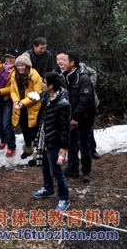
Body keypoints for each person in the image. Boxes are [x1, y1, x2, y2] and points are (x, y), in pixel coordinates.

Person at [32, 72, 71, 212]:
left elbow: (65, 128)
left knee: (57, 172)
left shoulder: (63, 104)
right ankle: (48, 188)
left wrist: (64, 147)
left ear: (51, 86)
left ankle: (64, 198)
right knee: (44, 167)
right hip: (43, 139)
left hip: (54, 142)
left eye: (44, 82)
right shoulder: (46, 97)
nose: (42, 84)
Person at [61, 51, 96, 183]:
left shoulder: (83, 78)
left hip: (83, 118)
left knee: (84, 146)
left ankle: (86, 171)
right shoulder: (65, 76)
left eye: (64, 60)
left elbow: (85, 100)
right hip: (69, 117)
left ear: (72, 63)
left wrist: (76, 118)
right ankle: (72, 168)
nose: (61, 63)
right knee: (71, 144)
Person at [10, 53, 43, 161]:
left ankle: (37, 152)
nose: (20, 67)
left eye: (22, 65)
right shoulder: (14, 75)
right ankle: (28, 148)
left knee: (34, 129)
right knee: (24, 128)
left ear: (27, 66)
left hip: (32, 106)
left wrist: (23, 102)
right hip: (20, 107)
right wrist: (16, 101)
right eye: (18, 65)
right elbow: (13, 90)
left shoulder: (35, 75)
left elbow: (38, 92)